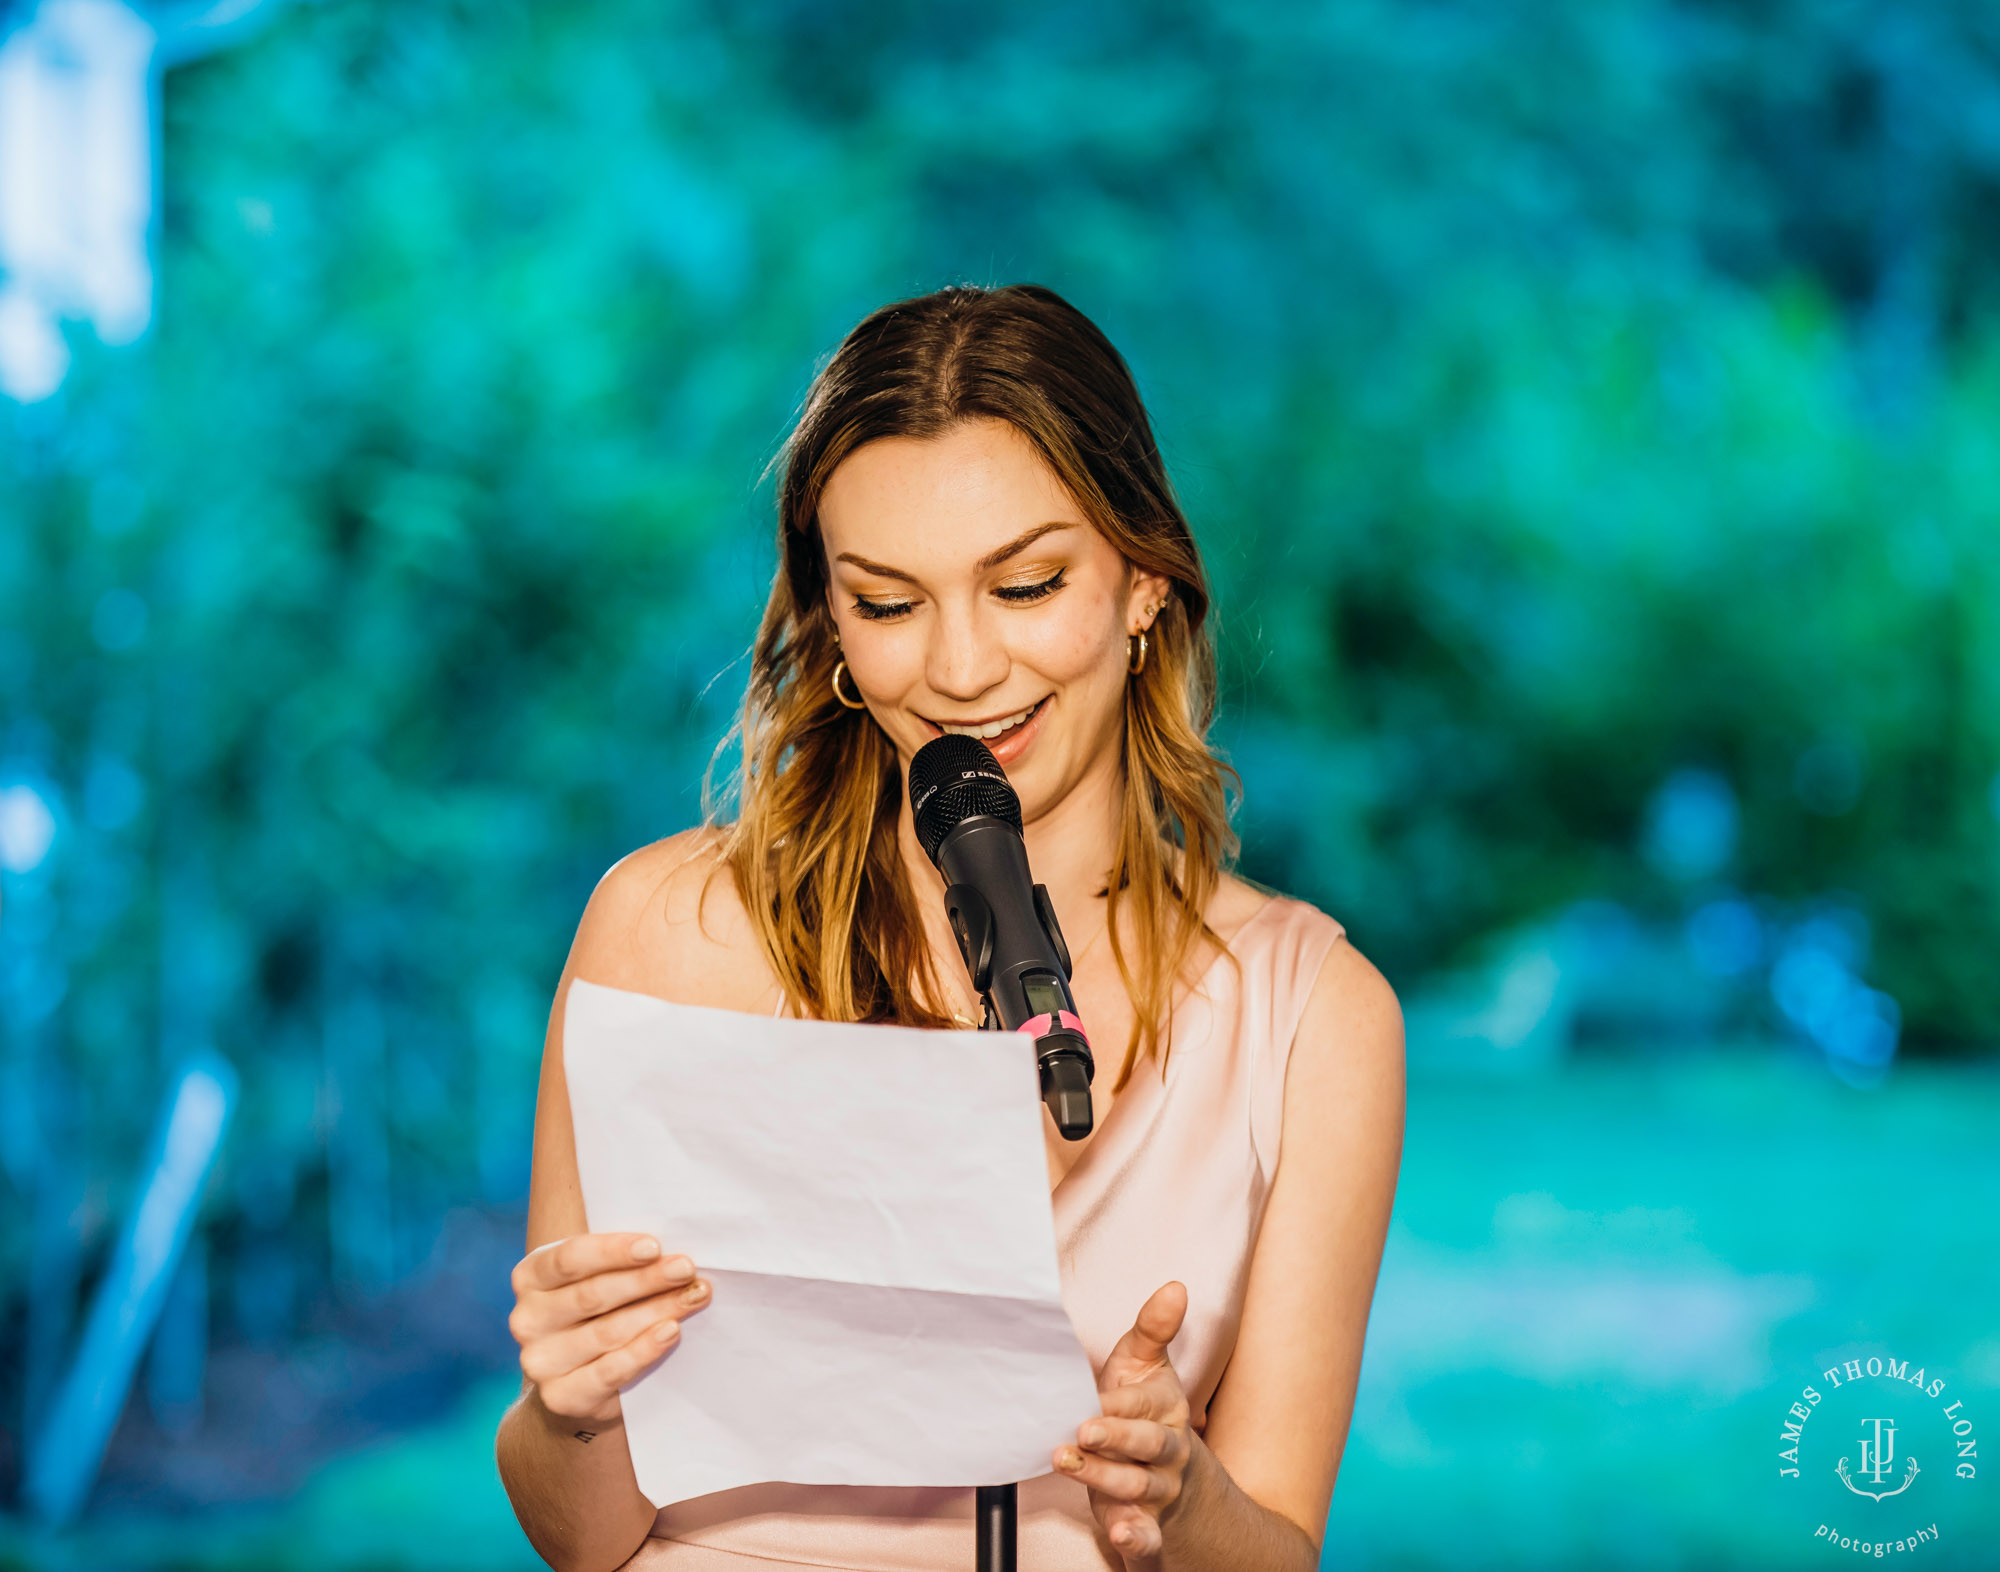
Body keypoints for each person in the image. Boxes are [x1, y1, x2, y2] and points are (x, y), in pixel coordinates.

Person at [495, 283, 1404, 1571]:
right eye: (887, 603)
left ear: (1143, 579)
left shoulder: (1313, 1019)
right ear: (827, 622)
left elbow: (1272, 1548)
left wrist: (1176, 1489)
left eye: (1026, 584)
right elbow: (578, 1539)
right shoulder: (666, 933)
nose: (963, 671)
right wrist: (575, 1406)